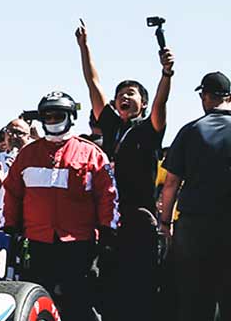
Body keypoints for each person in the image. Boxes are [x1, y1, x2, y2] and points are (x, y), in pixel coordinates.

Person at [75, 19, 173, 320]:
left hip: (140, 221)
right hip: (109, 220)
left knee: (141, 288)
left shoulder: (149, 129)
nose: (124, 97)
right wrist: (84, 46)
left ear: (142, 103)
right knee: (109, 286)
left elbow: (161, 101)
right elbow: (93, 84)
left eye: (131, 93)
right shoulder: (111, 125)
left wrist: (166, 74)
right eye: (121, 94)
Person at [3, 92, 118, 321]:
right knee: (39, 300)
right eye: (48, 116)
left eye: (58, 116)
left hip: (78, 244)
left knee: (78, 302)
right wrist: (10, 228)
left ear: (70, 117)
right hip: (37, 243)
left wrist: (107, 230)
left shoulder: (91, 153)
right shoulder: (27, 155)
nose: (53, 121)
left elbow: (108, 195)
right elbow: (12, 194)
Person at [159, 72, 231, 321]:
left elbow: (170, 184)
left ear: (205, 97)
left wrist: (165, 223)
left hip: (195, 229)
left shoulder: (191, 130)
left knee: (195, 301)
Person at [0, 118, 31, 212]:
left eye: (19, 133)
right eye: (10, 132)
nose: (13, 136)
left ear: (28, 137)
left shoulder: (35, 160)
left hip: (26, 217)